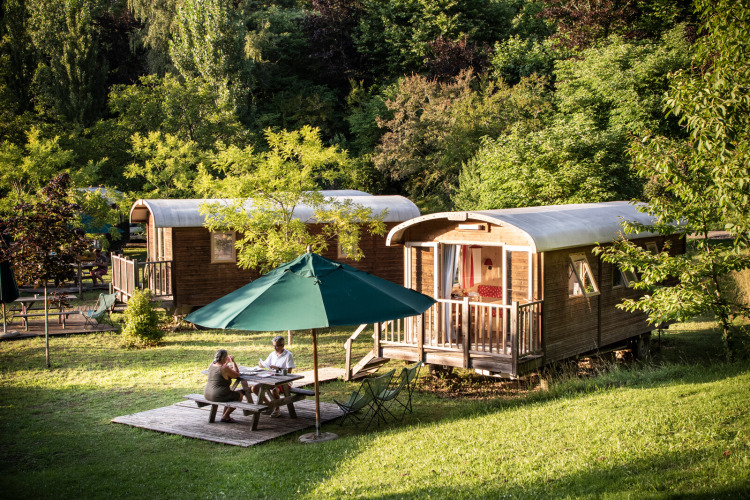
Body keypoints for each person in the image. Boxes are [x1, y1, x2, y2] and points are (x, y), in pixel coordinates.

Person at [204, 349, 251, 423]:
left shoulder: (212, 364)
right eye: (226, 357)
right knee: (240, 395)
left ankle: (225, 415)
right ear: (223, 358)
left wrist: (226, 362)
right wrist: (233, 362)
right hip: (218, 395)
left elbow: (222, 368)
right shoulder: (224, 368)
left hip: (207, 394)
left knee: (231, 393)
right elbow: (237, 374)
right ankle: (225, 416)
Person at [253, 335, 295, 417]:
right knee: (255, 388)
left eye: (277, 346)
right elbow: (266, 364)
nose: (275, 348)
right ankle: (270, 405)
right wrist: (261, 364)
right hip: (272, 379)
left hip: (284, 381)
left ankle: (277, 409)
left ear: (283, 345)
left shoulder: (288, 355)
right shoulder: (272, 354)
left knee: (275, 390)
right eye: (274, 346)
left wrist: (278, 368)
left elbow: (289, 373)